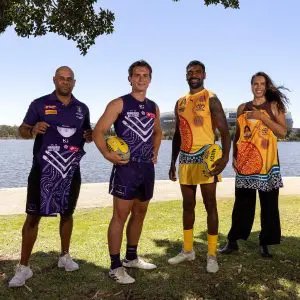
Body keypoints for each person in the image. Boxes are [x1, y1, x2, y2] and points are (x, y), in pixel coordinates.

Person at [9, 66, 93, 287]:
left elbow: (88, 134)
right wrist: (34, 128)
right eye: (61, 79)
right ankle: (23, 267)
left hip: (70, 170)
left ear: (74, 82)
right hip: (43, 169)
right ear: (54, 80)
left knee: (67, 214)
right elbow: (22, 130)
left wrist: (91, 135)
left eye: (69, 79)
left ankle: (64, 257)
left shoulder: (82, 109)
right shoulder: (39, 104)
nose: (65, 82)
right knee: (33, 215)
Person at [93, 60, 162, 284]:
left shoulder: (154, 107)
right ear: (130, 78)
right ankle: (115, 266)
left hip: (146, 168)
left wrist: (156, 151)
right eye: (137, 75)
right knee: (120, 216)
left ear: (150, 80)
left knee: (140, 214)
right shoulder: (119, 103)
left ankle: (131, 257)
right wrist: (107, 154)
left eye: (145, 75)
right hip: (126, 168)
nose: (141, 79)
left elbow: (158, 132)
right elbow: (99, 131)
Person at [168, 60, 230, 273]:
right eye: (190, 72)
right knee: (187, 206)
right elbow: (178, 133)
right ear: (186, 76)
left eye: (197, 72)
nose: (193, 74)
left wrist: (225, 158)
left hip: (206, 158)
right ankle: (188, 250)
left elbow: (224, 131)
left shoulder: (211, 98)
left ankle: (212, 255)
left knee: (210, 205)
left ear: (204, 75)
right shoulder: (180, 102)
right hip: (185, 159)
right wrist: (172, 162)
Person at [219, 72, 289, 257]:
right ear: (251, 86)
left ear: (266, 87)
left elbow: (282, 132)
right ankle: (233, 241)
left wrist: (263, 117)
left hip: (267, 165)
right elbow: (238, 134)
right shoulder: (243, 107)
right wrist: (234, 155)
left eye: (262, 84)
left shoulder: (275, 106)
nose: (258, 86)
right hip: (245, 163)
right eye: (255, 83)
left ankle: (265, 243)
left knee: (269, 205)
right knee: (242, 205)